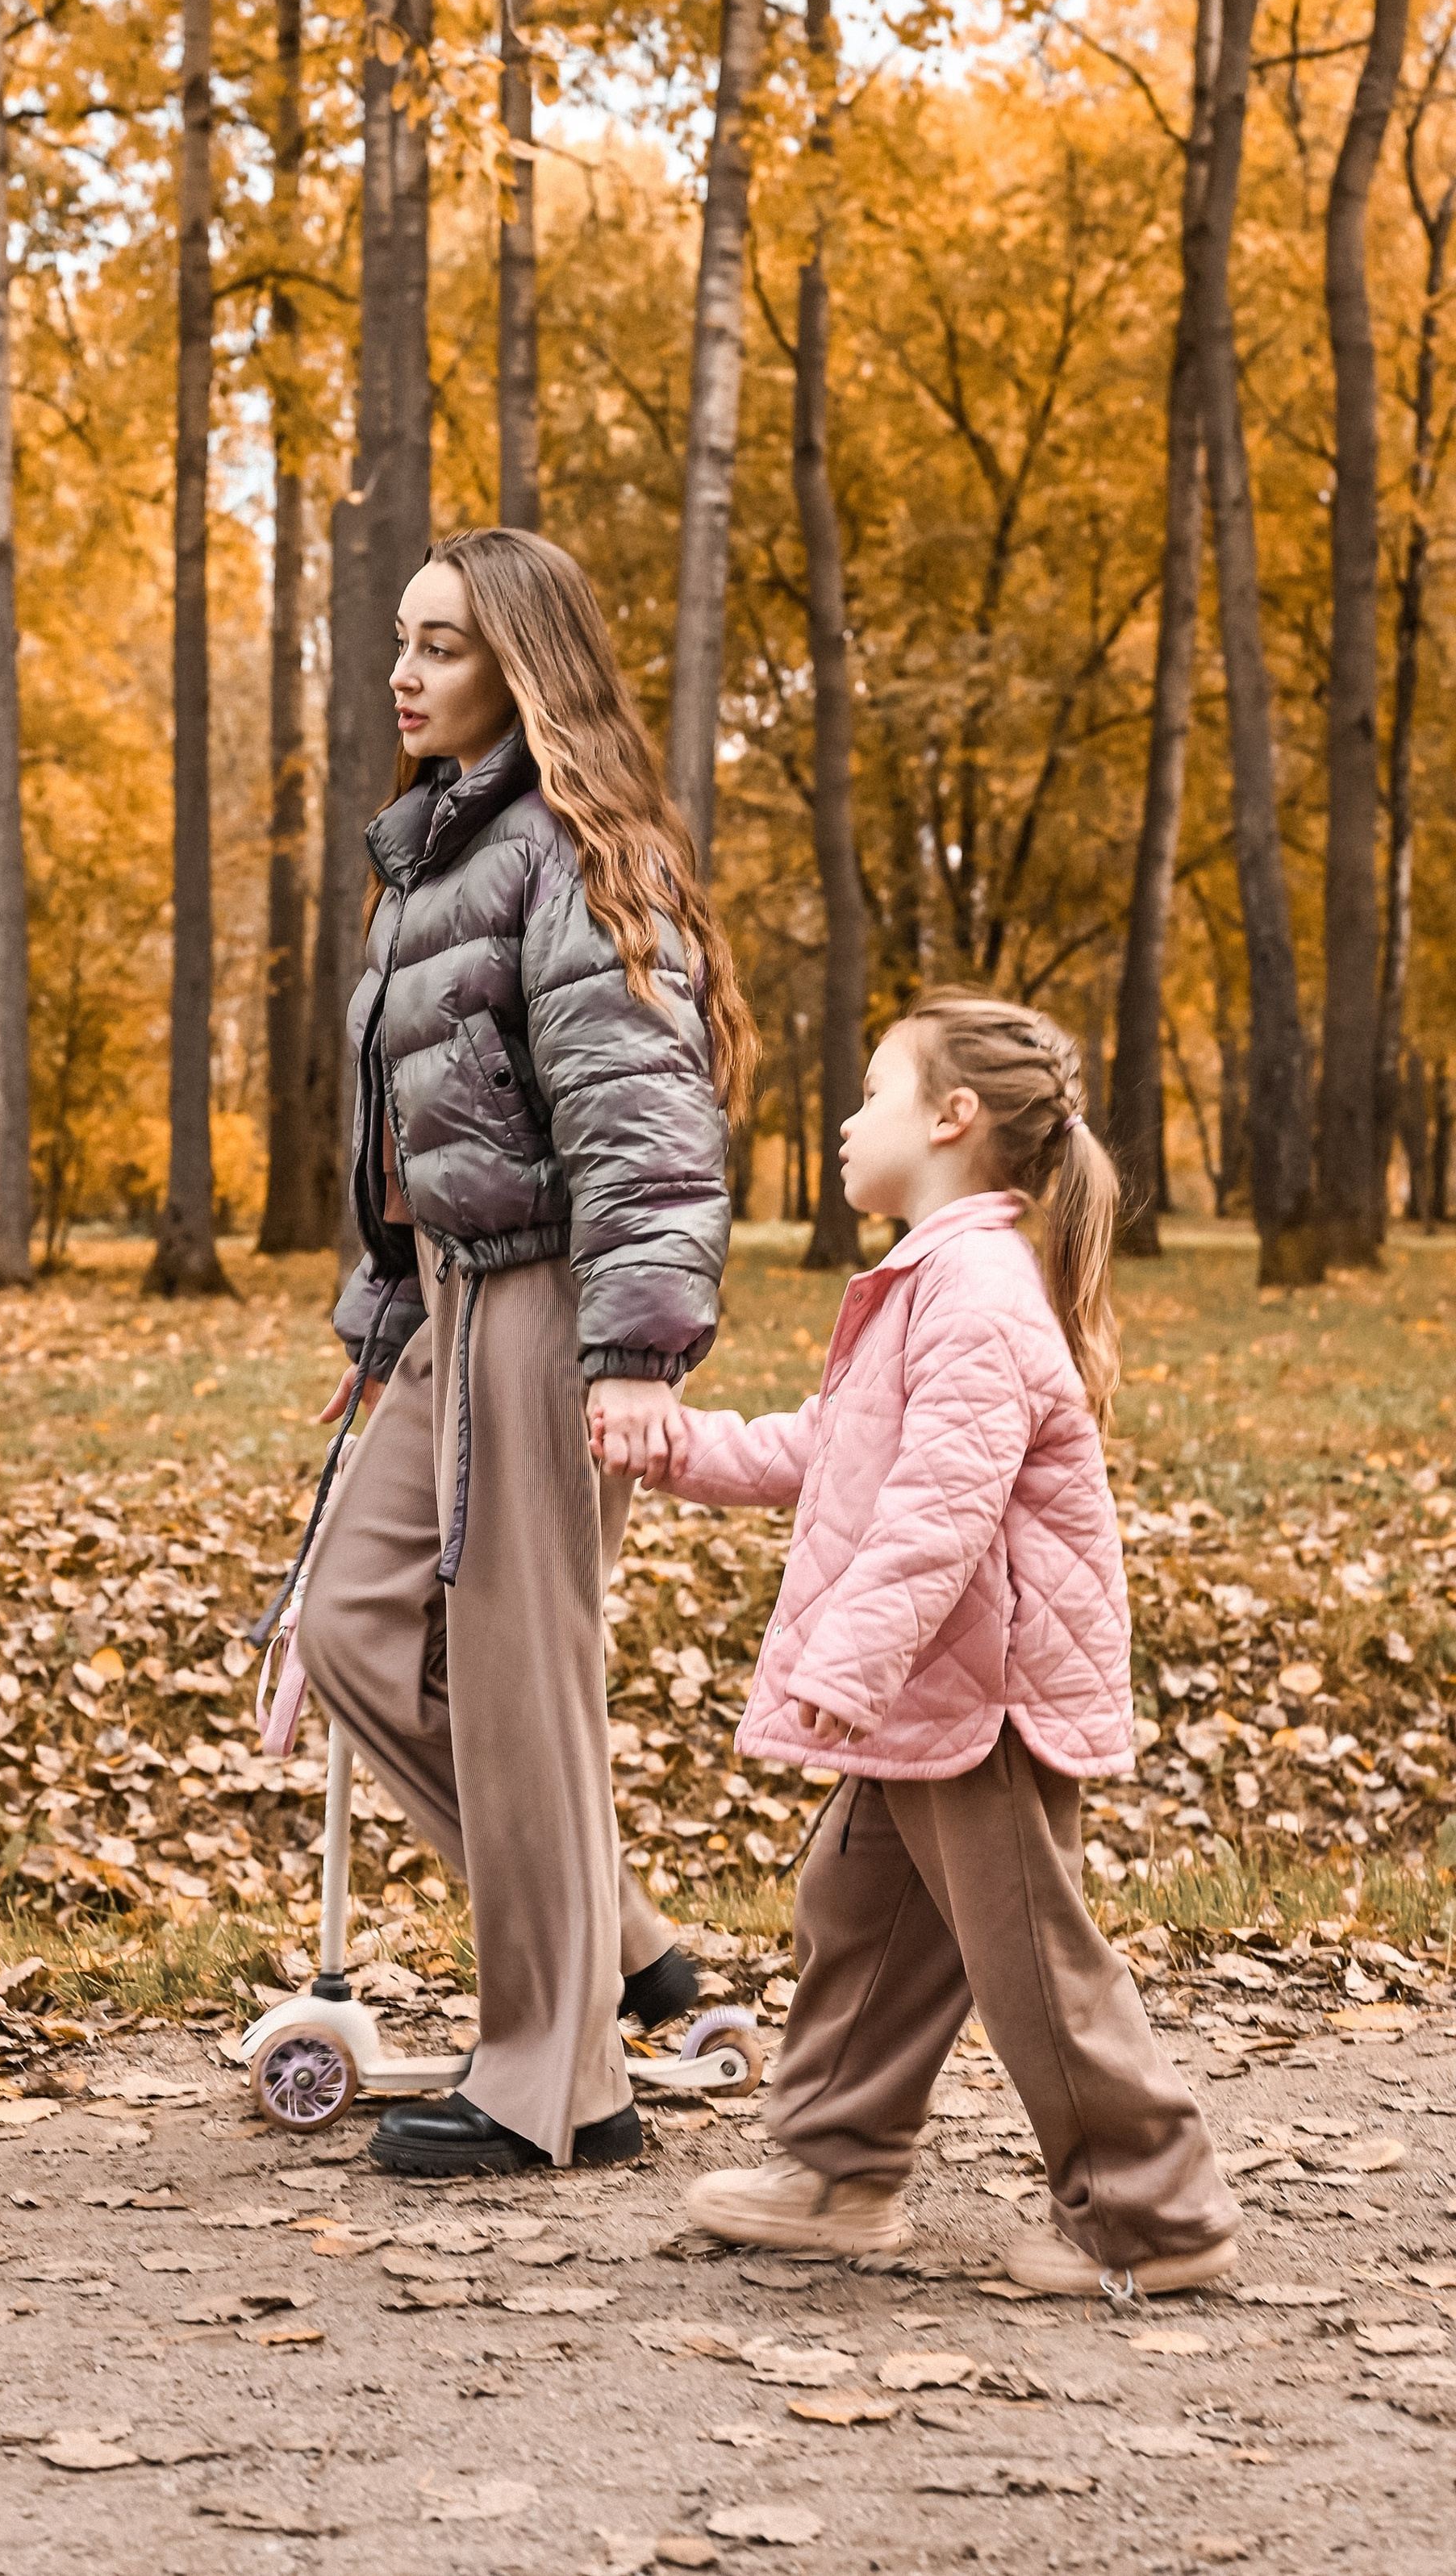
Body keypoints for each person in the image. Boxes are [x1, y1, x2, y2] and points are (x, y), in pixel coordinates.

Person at [595, 990, 1238, 2297]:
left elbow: (940, 1514)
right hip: (926, 1693)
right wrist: (678, 1448)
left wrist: (848, 1665)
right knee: (859, 1911)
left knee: (1033, 1962)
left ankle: (1154, 2216)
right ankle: (839, 2171)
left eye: (873, 1092)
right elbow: (829, 1450)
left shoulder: (979, 1291)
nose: (845, 1119)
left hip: (980, 1696)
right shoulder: (923, 1281)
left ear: (951, 1120)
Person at [296, 527, 755, 2178]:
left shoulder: (565, 848)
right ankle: (615, 1937)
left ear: (520, 670)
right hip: (452, 1300)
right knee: (349, 1624)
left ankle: (549, 2084)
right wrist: (385, 1311)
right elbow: (415, 1126)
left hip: (557, 1306)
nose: (403, 673)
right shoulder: (434, 851)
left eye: (440, 647)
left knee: (518, 1678)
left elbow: (642, 1110)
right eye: (402, 643)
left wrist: (632, 1347)